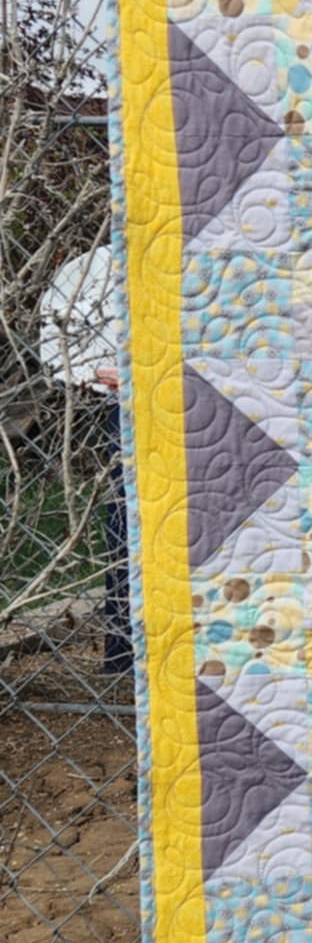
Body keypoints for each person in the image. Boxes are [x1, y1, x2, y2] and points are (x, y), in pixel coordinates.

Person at [37, 244, 133, 676]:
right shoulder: (94, 268)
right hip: (127, 400)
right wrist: (90, 372)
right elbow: (58, 346)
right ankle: (125, 652)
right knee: (129, 516)